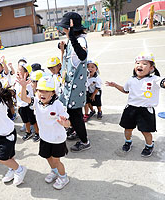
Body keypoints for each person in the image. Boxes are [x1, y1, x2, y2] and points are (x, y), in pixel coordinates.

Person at [106, 52, 165, 157]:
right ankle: (128, 142)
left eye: (144, 64)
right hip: (130, 109)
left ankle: (149, 145)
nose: (140, 65)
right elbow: (125, 90)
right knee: (127, 128)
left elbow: (164, 82)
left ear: (151, 68)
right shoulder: (131, 79)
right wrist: (115, 85)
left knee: (146, 131)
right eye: (138, 63)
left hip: (146, 110)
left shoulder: (154, 79)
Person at [17, 75, 71, 190]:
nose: (42, 93)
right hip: (45, 137)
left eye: (46, 91)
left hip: (57, 138)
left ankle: (63, 177)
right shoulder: (36, 101)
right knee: (47, 157)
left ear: (52, 93)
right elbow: (23, 98)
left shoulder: (58, 104)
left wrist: (64, 123)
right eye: (40, 90)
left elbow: (68, 123)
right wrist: (23, 86)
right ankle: (55, 172)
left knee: (57, 160)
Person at [56, 12, 91, 152]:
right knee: (72, 113)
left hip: (75, 87)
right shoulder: (74, 40)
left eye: (65, 28)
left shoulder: (80, 40)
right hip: (70, 85)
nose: (63, 30)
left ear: (72, 29)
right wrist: (63, 47)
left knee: (76, 115)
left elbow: (82, 55)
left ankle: (84, 141)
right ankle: (77, 132)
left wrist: (71, 37)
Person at [14, 63, 40, 142]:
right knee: (25, 120)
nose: (18, 72)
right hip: (21, 105)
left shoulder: (29, 83)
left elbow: (31, 93)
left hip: (28, 105)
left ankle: (37, 133)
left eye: (20, 70)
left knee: (33, 120)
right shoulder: (17, 82)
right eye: (17, 70)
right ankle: (28, 132)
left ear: (26, 73)